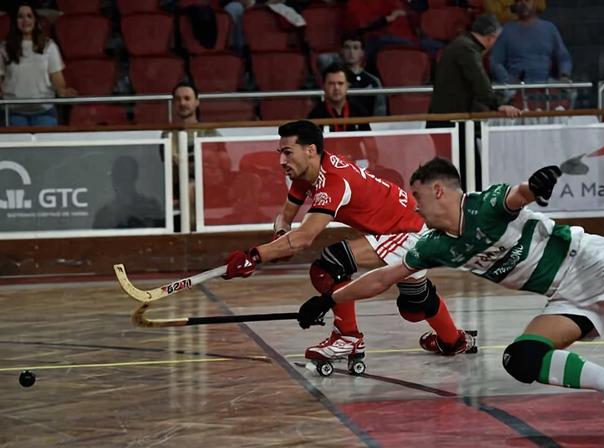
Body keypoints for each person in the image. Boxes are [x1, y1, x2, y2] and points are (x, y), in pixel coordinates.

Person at [297, 156, 604, 430]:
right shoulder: (433, 245)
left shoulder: (485, 205)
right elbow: (384, 276)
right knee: (523, 358)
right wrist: (330, 298)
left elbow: (517, 196)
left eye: (421, 196)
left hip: (594, 265)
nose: (416, 205)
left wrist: (536, 185)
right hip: (564, 294)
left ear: (442, 192)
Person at [222, 121, 476, 366]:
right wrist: (280, 235)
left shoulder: (334, 181)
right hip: (403, 226)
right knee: (414, 307)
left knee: (332, 263)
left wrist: (253, 256)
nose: (281, 161)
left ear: (310, 150)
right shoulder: (305, 175)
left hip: (407, 229)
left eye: (287, 153)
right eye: (280, 153)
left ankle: (348, 337)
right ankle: (453, 341)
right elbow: (286, 216)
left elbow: (304, 237)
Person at [428, 13, 520, 119]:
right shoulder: (467, 48)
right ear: (491, 37)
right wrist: (498, 105)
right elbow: (479, 80)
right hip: (450, 117)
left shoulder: (463, 43)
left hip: (449, 115)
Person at [0, 2, 76, 127]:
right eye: (21, 16)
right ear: (15, 21)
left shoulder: (49, 46)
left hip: (45, 112)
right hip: (12, 112)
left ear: (35, 21)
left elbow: (57, 78)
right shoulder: (3, 48)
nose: (25, 20)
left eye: (29, 16)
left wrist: (63, 91)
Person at [162, 81, 223, 231]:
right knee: (190, 187)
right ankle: (192, 239)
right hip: (180, 185)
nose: (182, 103)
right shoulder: (168, 135)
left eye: (187, 98)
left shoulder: (211, 132)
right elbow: (171, 167)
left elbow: (222, 163)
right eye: (178, 99)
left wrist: (192, 163)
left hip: (211, 183)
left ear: (197, 102)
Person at [490, 0, 572, 85]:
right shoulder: (506, 31)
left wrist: (564, 75)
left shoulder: (550, 29)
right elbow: (495, 62)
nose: (523, 4)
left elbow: (564, 57)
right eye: (519, 1)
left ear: (535, 2)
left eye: (527, 0)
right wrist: (508, 81)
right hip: (516, 90)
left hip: (545, 87)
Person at [307, 63, 372, 132]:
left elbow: (369, 141)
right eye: (331, 83)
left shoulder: (359, 112)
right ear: (323, 86)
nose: (336, 88)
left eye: (340, 83)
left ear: (347, 86)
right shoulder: (315, 116)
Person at [340, 35, 387, 117]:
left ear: (362, 52)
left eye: (355, 48)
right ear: (341, 51)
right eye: (347, 48)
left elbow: (380, 111)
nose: (351, 52)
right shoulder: (334, 80)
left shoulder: (373, 81)